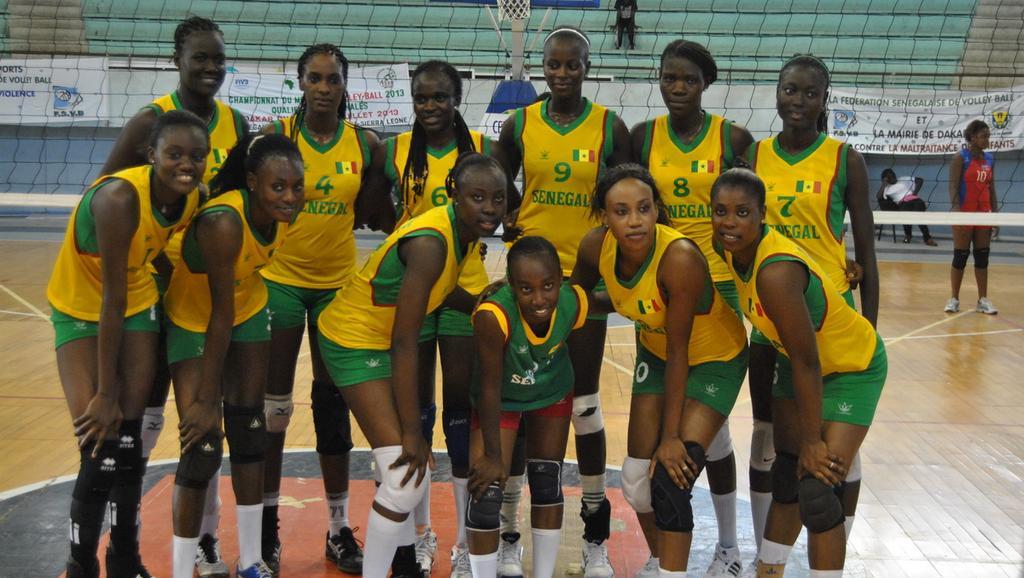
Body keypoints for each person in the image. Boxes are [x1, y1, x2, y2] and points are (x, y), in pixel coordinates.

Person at [100, 15, 248, 577]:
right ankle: (126, 544)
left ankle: (206, 541)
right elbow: (105, 192)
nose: (211, 68)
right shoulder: (151, 120)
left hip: (202, 295)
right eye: (200, 58)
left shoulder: (235, 123)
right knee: (141, 421)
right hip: (149, 289)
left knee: (201, 421)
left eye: (218, 59)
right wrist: (154, 255)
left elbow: (231, 203)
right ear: (177, 60)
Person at [316, 152, 507, 578]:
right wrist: (411, 432)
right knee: (404, 478)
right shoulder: (430, 244)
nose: (490, 208)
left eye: (498, 198)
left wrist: (484, 302)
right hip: (353, 341)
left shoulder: (460, 234)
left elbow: (444, 291)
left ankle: (401, 565)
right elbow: (405, 343)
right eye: (477, 197)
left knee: (402, 478)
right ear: (455, 195)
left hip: (376, 339)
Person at [359, 59, 510, 578]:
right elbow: (373, 209)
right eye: (421, 97)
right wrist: (404, 238)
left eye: (440, 97)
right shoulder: (395, 151)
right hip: (416, 290)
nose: (430, 106)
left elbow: (504, 208)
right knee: (416, 415)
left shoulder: (483, 151)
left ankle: (467, 543)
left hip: (465, 291)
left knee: (460, 416)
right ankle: (421, 534)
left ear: (456, 99)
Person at [48, 110, 209, 578]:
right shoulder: (119, 198)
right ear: (150, 155)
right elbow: (109, 301)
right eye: (174, 154)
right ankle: (81, 565)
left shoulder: (193, 198)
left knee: (129, 441)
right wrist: (105, 392)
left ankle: (124, 559)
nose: (186, 164)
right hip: (81, 307)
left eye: (196, 156)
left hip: (136, 300)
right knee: (99, 442)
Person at [498, 26, 631, 577]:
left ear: (586, 67)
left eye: (571, 64)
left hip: (581, 281)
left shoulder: (610, 127)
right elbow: (496, 183)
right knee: (521, 404)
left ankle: (595, 533)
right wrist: (510, 215)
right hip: (527, 281)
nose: (561, 73)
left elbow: (628, 193)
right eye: (553, 64)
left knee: (584, 405)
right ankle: (507, 530)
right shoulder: (519, 124)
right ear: (543, 68)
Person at [572, 164, 748, 577]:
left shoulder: (679, 258)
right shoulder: (595, 246)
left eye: (644, 208)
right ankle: (660, 559)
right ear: (605, 216)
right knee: (636, 480)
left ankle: (714, 555)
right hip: (656, 353)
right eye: (621, 211)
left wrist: (669, 439)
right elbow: (575, 297)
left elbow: (680, 349)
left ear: (656, 210)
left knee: (670, 479)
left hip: (714, 358)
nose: (634, 220)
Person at [711, 168, 887, 577]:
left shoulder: (775, 272)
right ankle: (768, 570)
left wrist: (811, 440)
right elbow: (799, 358)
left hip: (851, 368)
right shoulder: (729, 249)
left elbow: (810, 361)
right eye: (720, 211)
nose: (730, 222)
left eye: (742, 212)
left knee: (818, 489)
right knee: (788, 477)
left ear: (762, 214)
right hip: (796, 362)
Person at [746, 54, 877, 570]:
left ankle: (836, 536)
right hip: (772, 323)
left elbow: (866, 254)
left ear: (825, 101)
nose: (798, 101)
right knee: (775, 446)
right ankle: (765, 553)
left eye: (809, 93)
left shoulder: (845, 159)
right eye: (789, 90)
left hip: (831, 318)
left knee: (833, 456)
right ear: (777, 94)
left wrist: (871, 326)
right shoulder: (755, 156)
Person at [630, 39, 753, 577]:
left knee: (713, 428)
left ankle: (727, 547)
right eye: (669, 78)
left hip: (720, 290)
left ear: (706, 84)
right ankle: (681, 554)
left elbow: (752, 210)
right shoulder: (642, 137)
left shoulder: (733, 138)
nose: (677, 87)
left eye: (689, 79)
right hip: (663, 286)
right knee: (709, 431)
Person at [258, 43, 377, 575]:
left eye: (333, 79)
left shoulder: (365, 144)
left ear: (345, 85)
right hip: (280, 282)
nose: (324, 87)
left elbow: (379, 208)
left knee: (332, 406)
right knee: (274, 409)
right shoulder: (275, 138)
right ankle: (266, 526)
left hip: (337, 288)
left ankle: (337, 528)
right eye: (315, 78)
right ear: (300, 82)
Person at [163, 133, 303, 578]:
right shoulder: (224, 221)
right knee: (202, 445)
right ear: (252, 181)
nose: (290, 196)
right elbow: (218, 316)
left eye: (296, 186)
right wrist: (207, 399)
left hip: (248, 307)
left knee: (250, 431)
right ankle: (183, 567)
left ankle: (252, 560)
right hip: (194, 319)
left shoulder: (284, 215)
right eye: (278, 187)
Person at [467, 236, 608, 578]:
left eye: (547, 285)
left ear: (560, 279)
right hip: (501, 398)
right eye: (526, 289)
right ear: (511, 285)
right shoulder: (493, 316)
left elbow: (616, 301)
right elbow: (488, 389)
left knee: (546, 480)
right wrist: (493, 457)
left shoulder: (571, 301)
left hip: (551, 391)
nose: (539, 299)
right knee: (486, 494)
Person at [946, 120, 999, 315]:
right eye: (984, 136)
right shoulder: (960, 157)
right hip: (964, 213)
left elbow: (992, 189)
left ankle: (982, 300)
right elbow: (953, 185)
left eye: (988, 136)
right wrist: (957, 211)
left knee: (982, 256)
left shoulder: (990, 159)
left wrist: (996, 216)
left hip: (984, 214)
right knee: (960, 256)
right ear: (973, 137)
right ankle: (954, 299)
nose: (987, 140)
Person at [877, 169, 937, 246]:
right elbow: (878, 196)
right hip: (903, 202)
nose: (893, 176)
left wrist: (914, 194)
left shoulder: (903, 179)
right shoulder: (886, 188)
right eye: (889, 176)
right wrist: (883, 184)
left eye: (893, 174)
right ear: (886, 179)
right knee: (905, 213)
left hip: (915, 200)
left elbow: (920, 180)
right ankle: (908, 235)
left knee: (919, 216)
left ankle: (927, 238)